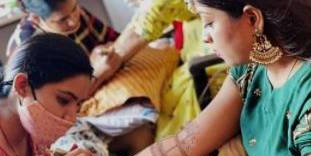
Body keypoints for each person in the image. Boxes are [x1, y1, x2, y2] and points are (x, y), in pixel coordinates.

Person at [67, 0, 311, 156]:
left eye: (209, 22)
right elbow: (187, 142)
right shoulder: (253, 69)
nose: (205, 36)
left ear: (252, 19)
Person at [92, 0, 227, 141]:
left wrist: (94, 79)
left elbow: (115, 57)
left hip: (212, 67)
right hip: (198, 55)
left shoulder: (158, 6)